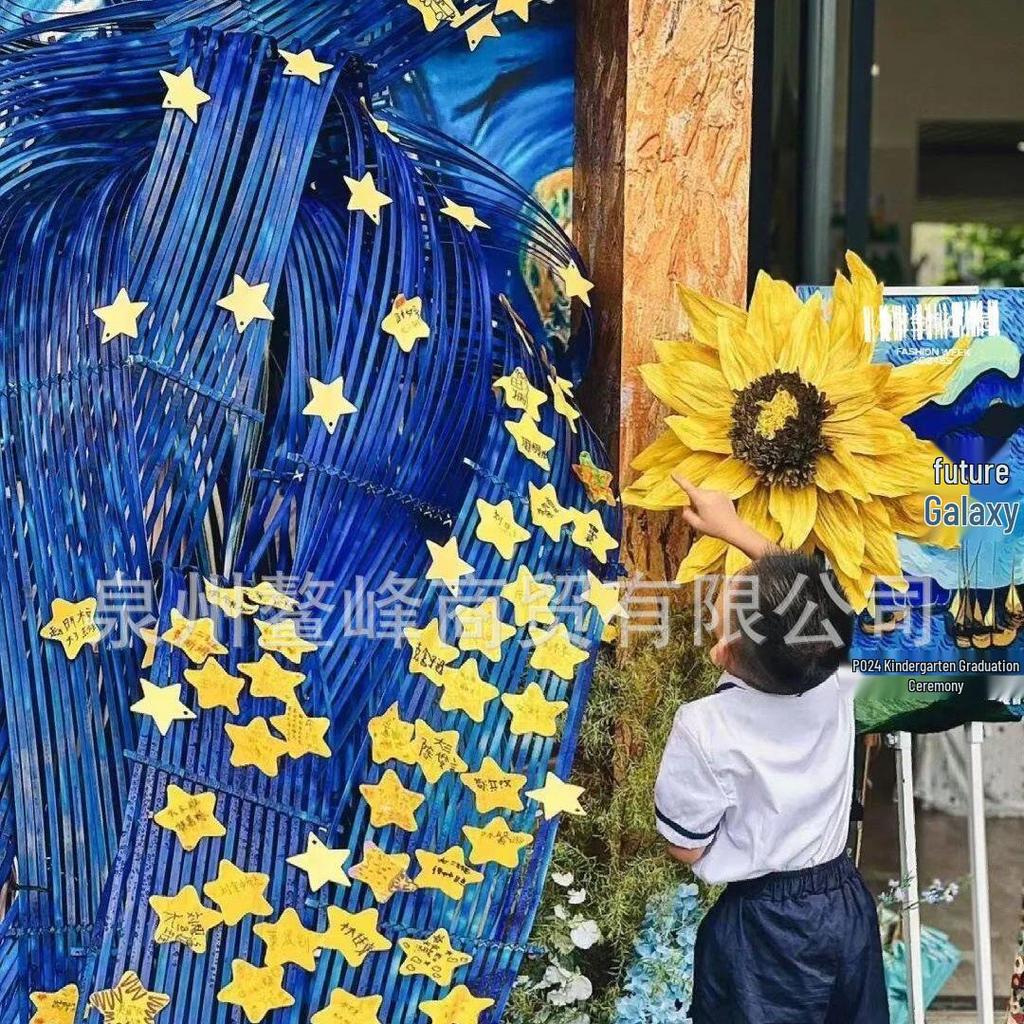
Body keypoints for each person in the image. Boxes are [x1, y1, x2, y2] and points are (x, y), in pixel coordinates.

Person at [656, 474, 889, 1023]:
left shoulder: (704, 727)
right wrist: (735, 529)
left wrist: (739, 847)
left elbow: (685, 847)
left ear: (723, 649)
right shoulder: (834, 679)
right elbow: (821, 609)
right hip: (843, 906)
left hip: (761, 930)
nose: (739, 575)